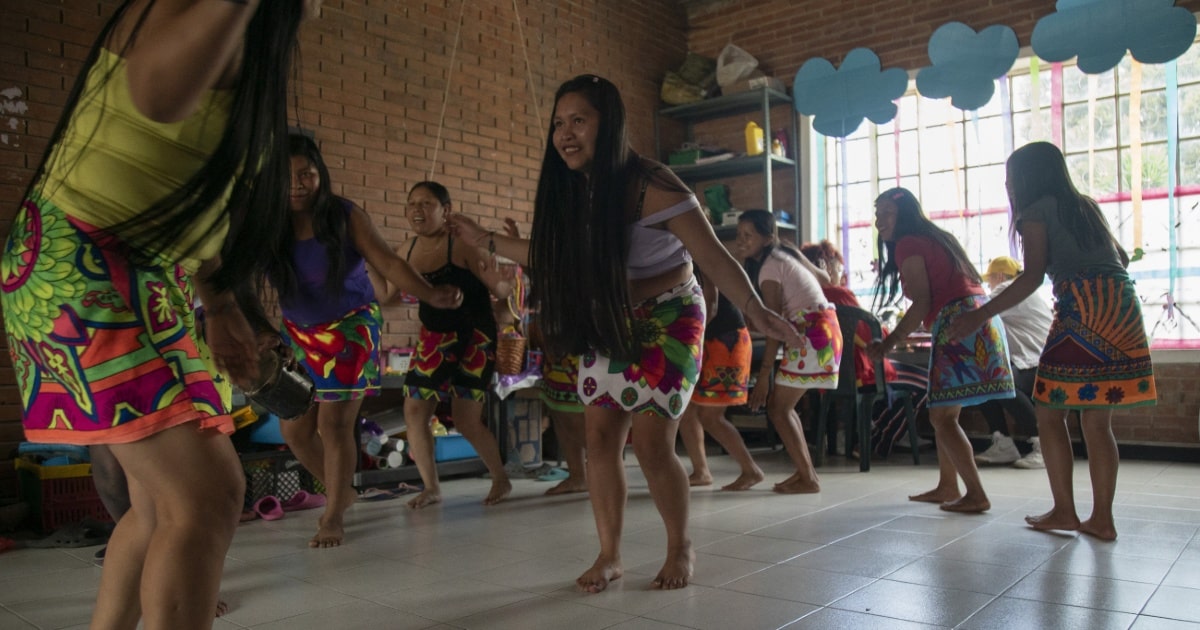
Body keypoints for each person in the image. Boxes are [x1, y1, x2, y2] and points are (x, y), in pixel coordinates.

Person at [0, 1, 319, 626]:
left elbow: (193, 200)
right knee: (204, 497)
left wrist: (222, 303)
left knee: (160, 509)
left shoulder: (246, 52)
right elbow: (155, 92)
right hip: (82, 263)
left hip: (150, 274)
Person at [447, 74, 801, 593]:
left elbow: (714, 257)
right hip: (609, 320)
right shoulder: (574, 190)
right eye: (558, 124)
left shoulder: (653, 186)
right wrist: (489, 241)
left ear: (607, 123)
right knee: (599, 438)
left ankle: (680, 545)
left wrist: (756, 310)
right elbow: (553, 256)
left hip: (671, 316)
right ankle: (609, 555)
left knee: (653, 440)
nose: (565, 134)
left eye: (578, 121)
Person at [949, 142, 1156, 540]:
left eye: (1010, 177)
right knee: (1097, 421)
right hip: (1121, 306)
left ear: (1026, 178)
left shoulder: (1034, 212)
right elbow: (1122, 259)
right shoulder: (1085, 206)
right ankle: (1102, 519)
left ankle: (1064, 511)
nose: (1007, 185)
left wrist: (979, 314)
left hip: (1083, 309)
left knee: (1048, 409)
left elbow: (1031, 277)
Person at [272, 138, 462, 547]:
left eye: (306, 173)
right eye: (287, 176)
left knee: (334, 423)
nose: (298, 184)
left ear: (320, 172)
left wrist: (429, 294)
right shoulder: (268, 223)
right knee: (294, 431)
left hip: (350, 328)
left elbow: (389, 263)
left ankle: (333, 512)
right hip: (300, 334)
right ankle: (343, 490)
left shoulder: (344, 215)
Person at [867, 187, 1015, 513]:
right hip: (977, 316)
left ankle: (975, 493)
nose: (879, 220)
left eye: (886, 213)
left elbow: (922, 301)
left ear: (904, 215)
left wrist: (889, 343)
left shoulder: (908, 243)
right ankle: (948, 486)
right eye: (877, 213)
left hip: (958, 322)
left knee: (942, 417)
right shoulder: (936, 237)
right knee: (946, 413)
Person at [376, 181, 514, 509]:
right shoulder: (405, 252)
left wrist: (506, 285)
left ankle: (500, 477)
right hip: (434, 339)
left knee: (466, 419)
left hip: (475, 338)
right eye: (412, 204)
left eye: (427, 204)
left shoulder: (462, 246)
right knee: (414, 409)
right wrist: (366, 260)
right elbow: (386, 297)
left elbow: (503, 290)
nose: (417, 211)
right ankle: (431, 487)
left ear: (445, 211)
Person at [735, 210, 839, 494]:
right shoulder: (785, 256)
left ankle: (808, 478)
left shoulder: (769, 268)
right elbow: (827, 280)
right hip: (822, 330)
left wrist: (765, 375)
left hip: (811, 333)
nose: (741, 242)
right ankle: (806, 474)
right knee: (782, 408)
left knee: (778, 408)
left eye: (749, 235)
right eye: (739, 235)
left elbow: (773, 324)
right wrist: (794, 251)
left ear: (768, 238)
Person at [676, 270, 763, 490]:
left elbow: (711, 306)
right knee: (688, 412)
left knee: (711, 416)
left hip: (725, 342)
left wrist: (689, 340)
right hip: (707, 341)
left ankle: (751, 470)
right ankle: (701, 471)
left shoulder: (702, 261)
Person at [970, 256, 1054, 469]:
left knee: (1002, 383)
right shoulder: (1025, 291)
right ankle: (1003, 444)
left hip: (1038, 361)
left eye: (990, 280)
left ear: (999, 276)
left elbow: (977, 315)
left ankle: (1044, 447)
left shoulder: (1008, 289)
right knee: (984, 380)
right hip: (1038, 358)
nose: (989, 285)